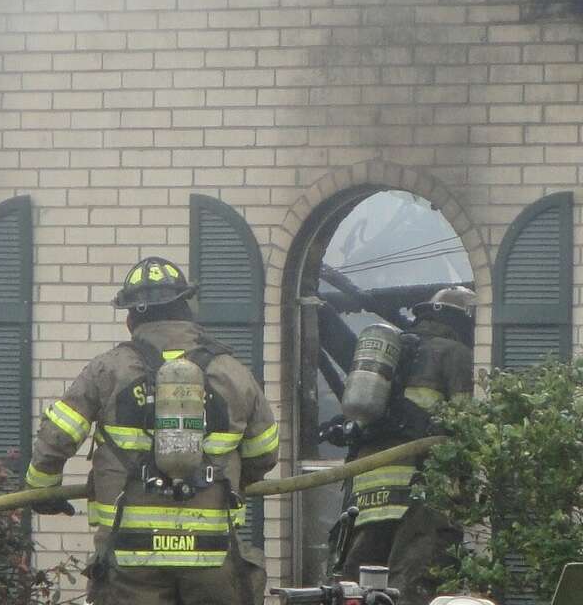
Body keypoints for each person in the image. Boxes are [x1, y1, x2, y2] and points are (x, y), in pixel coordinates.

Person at [23, 256, 279, 605]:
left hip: (132, 553)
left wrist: (43, 489)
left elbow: (57, 437)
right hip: (213, 550)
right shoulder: (233, 373)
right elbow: (264, 454)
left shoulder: (108, 370)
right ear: (186, 309)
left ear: (131, 319)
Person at [326, 286, 475, 605]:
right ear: (465, 322)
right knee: (411, 586)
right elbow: (467, 427)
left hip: (367, 493)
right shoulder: (455, 353)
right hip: (420, 490)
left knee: (360, 589)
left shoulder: (396, 357)